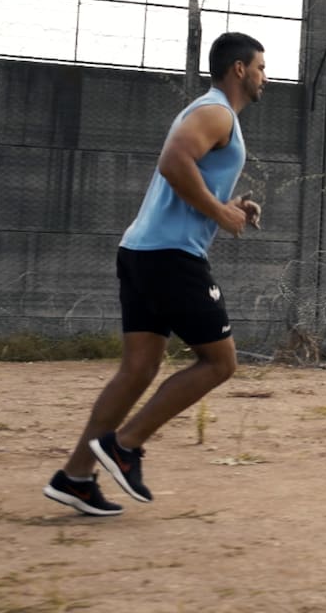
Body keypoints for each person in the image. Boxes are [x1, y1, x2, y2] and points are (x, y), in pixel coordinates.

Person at [43, 32, 266, 516]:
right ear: (240, 70)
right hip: (171, 257)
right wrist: (218, 213)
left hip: (141, 252)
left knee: (138, 369)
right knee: (220, 363)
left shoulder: (209, 113)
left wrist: (229, 208)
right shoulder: (216, 113)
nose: (265, 77)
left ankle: (76, 477)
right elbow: (172, 164)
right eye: (261, 68)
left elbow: (186, 180)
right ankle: (126, 446)